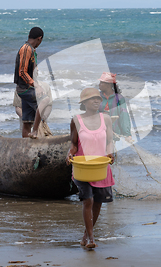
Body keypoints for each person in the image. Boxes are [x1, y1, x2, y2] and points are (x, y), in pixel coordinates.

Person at [66, 88, 114, 249]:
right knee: (88, 200)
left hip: (101, 166)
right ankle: (91, 239)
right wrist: (69, 154)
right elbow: (73, 144)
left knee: (98, 202)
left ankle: (86, 234)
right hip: (83, 167)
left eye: (98, 99)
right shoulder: (76, 120)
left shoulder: (106, 119)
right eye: (92, 99)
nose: (96, 101)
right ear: (84, 103)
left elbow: (110, 141)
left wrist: (110, 152)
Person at [14, 27, 44, 138]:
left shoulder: (30, 49)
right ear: (39, 39)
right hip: (25, 88)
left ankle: (26, 145)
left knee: (27, 122)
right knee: (43, 102)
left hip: (24, 88)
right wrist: (36, 85)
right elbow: (22, 72)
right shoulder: (27, 49)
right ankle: (35, 131)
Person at [13, 67, 53, 137]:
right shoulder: (21, 89)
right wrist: (29, 119)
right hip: (27, 124)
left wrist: (42, 118)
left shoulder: (45, 86)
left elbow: (49, 105)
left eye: (37, 70)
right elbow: (18, 108)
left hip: (42, 122)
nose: (36, 71)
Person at [98, 72, 131, 140]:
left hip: (113, 131)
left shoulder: (119, 99)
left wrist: (127, 134)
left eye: (101, 83)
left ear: (108, 85)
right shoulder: (96, 97)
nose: (99, 85)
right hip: (97, 131)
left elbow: (123, 116)